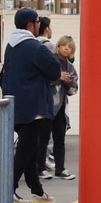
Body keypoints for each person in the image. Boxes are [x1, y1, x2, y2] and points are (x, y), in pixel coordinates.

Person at [1, 7, 61, 203]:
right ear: (30, 25)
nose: (39, 25)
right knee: (26, 150)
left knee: (31, 149)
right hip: (33, 107)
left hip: (14, 105)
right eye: (37, 22)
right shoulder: (35, 47)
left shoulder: (11, 46)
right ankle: (9, 189)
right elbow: (54, 70)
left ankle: (36, 190)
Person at [39, 35, 77, 181]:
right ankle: (41, 168)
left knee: (59, 139)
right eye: (64, 46)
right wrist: (58, 78)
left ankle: (60, 169)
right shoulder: (50, 61)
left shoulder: (70, 66)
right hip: (47, 104)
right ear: (59, 46)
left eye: (69, 47)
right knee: (43, 138)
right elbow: (43, 80)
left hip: (61, 106)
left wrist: (68, 82)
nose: (66, 49)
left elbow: (73, 90)